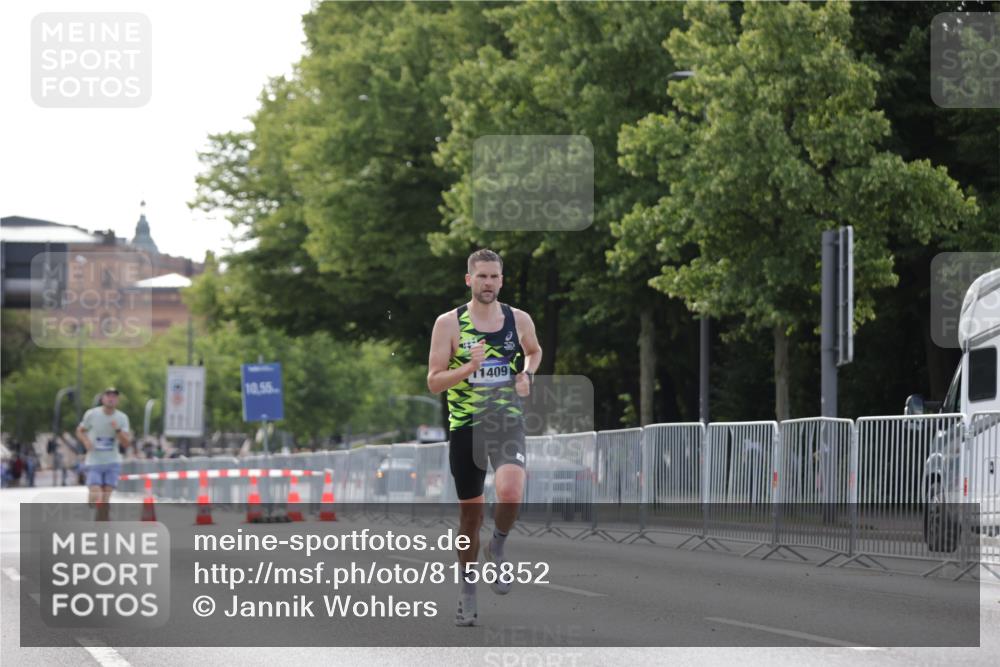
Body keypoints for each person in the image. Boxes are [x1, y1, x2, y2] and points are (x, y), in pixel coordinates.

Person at [427, 248, 542, 626]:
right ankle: (467, 590)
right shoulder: (449, 324)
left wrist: (526, 374)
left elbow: (534, 351)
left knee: (511, 491)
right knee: (470, 517)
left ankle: (500, 546)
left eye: (494, 277)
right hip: (466, 426)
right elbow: (433, 381)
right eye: (482, 277)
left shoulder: (518, 319)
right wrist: (470, 367)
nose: (488, 283)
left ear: (501, 281)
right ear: (469, 280)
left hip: (506, 421)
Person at [76, 387, 132, 520]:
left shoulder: (122, 418)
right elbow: (80, 430)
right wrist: (86, 441)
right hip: (94, 461)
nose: (111, 398)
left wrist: (117, 430)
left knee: (105, 499)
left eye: (114, 396)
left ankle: (102, 523)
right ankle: (95, 505)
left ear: (117, 400)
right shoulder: (91, 414)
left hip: (112, 462)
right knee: (97, 495)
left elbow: (126, 443)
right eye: (108, 395)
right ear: (102, 398)